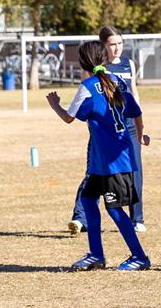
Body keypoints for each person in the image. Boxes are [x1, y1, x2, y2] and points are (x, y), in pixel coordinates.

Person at [46, 40, 151, 270]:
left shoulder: (88, 86)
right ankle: (96, 255)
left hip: (113, 163)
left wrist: (55, 104)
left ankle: (140, 257)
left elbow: (69, 117)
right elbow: (137, 113)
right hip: (103, 162)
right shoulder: (117, 82)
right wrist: (141, 136)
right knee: (87, 199)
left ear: (84, 62)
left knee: (114, 209)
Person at [68, 26, 147, 234]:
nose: (117, 48)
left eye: (120, 43)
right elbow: (86, 100)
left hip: (128, 125)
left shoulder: (128, 64)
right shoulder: (92, 68)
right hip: (103, 128)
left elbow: (134, 94)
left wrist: (141, 125)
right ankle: (80, 218)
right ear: (103, 46)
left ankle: (137, 218)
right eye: (112, 44)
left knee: (135, 170)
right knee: (94, 172)